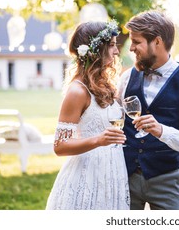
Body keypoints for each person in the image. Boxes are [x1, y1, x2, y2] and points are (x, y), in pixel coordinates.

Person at [118, 10, 179, 210]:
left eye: (136, 41)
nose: (131, 48)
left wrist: (161, 131)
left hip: (167, 181)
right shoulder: (126, 78)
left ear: (157, 41)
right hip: (126, 177)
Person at [46, 21, 130, 210]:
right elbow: (60, 146)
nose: (116, 51)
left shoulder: (107, 84)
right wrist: (98, 140)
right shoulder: (77, 91)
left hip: (112, 172)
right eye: (111, 45)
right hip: (86, 174)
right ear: (96, 49)